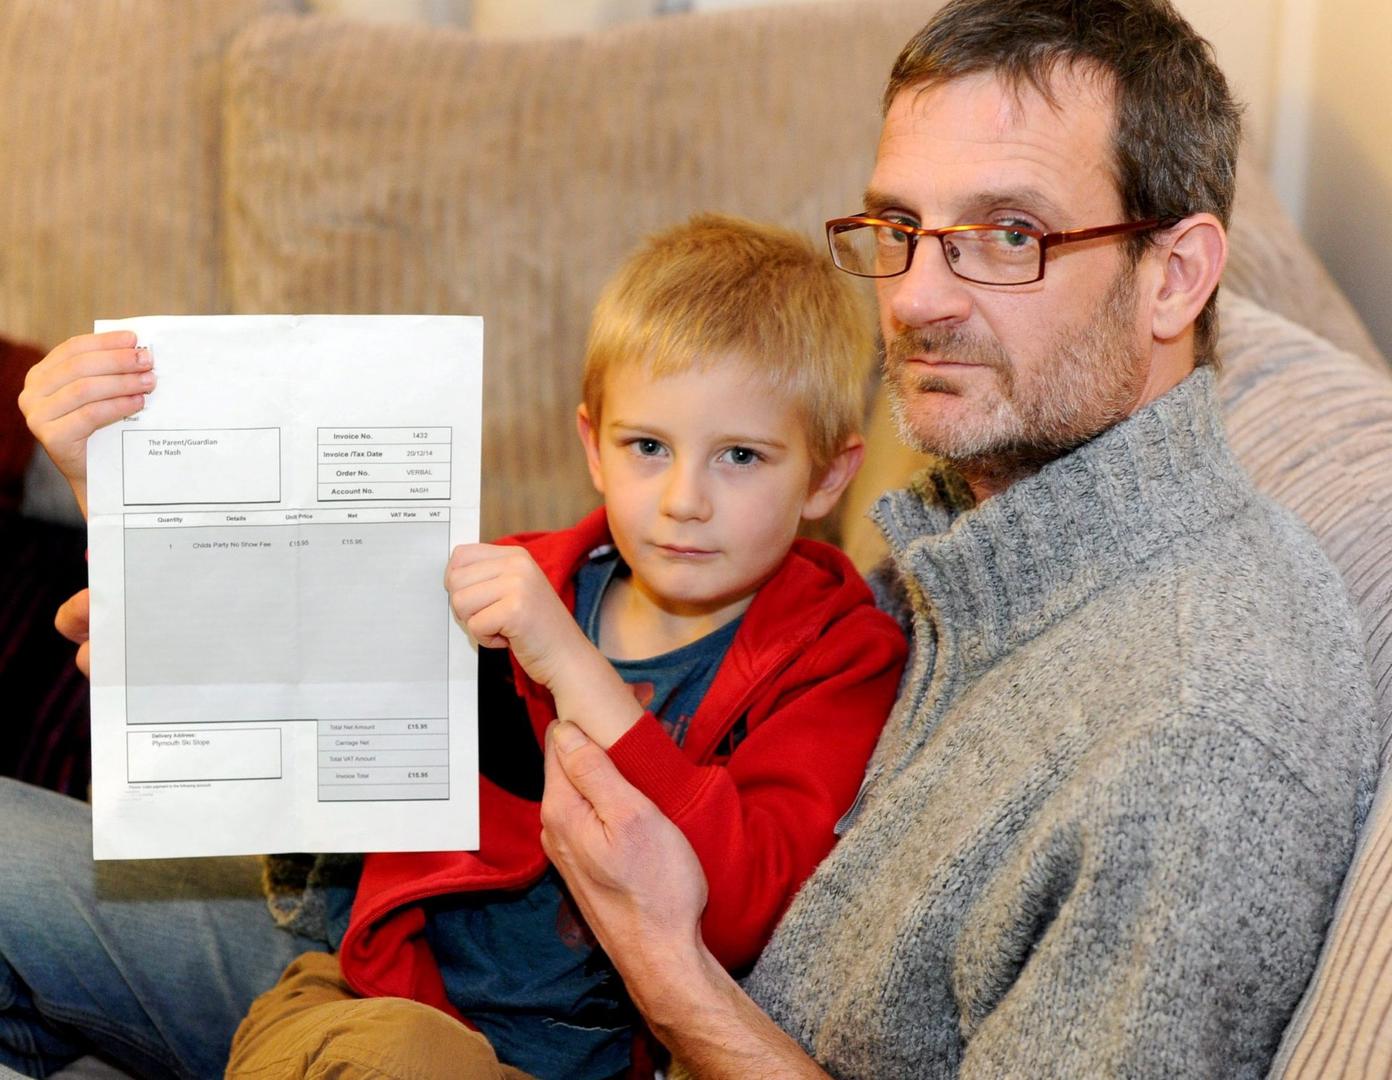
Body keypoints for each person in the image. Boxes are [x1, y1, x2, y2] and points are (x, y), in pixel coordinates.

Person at [525, 1, 1378, 1077]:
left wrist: (668, 973)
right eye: (900, 228)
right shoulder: (980, 541)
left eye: (1009, 234)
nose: (916, 299)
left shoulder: (1195, 740)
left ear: (1173, 277)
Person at [5, 214, 905, 1079]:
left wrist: (570, 665)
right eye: (648, 446)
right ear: (593, 446)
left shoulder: (840, 656)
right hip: (362, 973)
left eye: (740, 456)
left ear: (828, 475)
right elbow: (289, 657)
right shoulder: (518, 580)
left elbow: (738, 912)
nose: (684, 500)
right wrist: (110, 498)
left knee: (397, 1057)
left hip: (527, 1059)